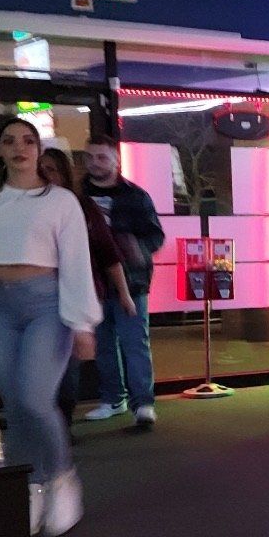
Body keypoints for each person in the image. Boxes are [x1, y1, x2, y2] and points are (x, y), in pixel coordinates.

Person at [0, 118, 101, 536]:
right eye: (9, 141)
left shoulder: (60, 201)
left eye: (28, 141)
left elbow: (77, 265)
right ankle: (30, 484)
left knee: (33, 399)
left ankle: (63, 478)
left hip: (46, 306)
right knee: (14, 406)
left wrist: (83, 324)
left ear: (39, 149)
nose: (20, 148)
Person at [38, 148, 136, 434]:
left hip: (72, 297)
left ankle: (62, 426)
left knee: (68, 369)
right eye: (41, 168)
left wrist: (124, 293)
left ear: (65, 174)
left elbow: (108, 253)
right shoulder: (24, 207)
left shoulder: (81, 207)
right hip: (33, 298)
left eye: (52, 169)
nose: (46, 175)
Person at [82, 136, 164, 428]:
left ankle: (143, 404)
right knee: (102, 343)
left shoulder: (135, 196)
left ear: (116, 161)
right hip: (92, 281)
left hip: (132, 282)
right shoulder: (76, 195)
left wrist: (133, 248)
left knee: (134, 343)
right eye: (90, 157)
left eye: (102, 157)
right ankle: (113, 399)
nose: (95, 163)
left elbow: (157, 236)